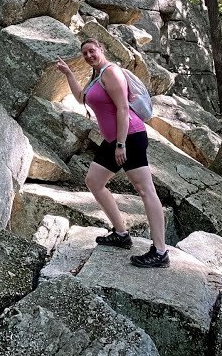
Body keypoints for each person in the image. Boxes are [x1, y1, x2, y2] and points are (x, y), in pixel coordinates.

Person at [55, 38, 170, 268]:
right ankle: (121, 233)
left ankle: (160, 251)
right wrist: (68, 73)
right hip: (114, 139)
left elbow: (123, 108)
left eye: (92, 51)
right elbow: (81, 98)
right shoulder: (96, 77)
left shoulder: (111, 72)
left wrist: (120, 145)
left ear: (101, 50)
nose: (88, 55)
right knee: (94, 182)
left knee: (145, 189)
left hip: (129, 137)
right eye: (85, 53)